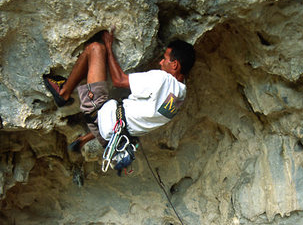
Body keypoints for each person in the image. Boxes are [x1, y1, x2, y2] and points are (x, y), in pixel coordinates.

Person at [43, 29, 195, 151]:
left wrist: (109, 47)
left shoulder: (162, 79)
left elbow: (119, 81)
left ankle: (63, 93)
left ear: (175, 65)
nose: (161, 62)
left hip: (97, 112)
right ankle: (83, 140)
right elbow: (137, 119)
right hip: (111, 137)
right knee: (124, 116)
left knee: (95, 48)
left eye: (165, 59)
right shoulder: (179, 96)